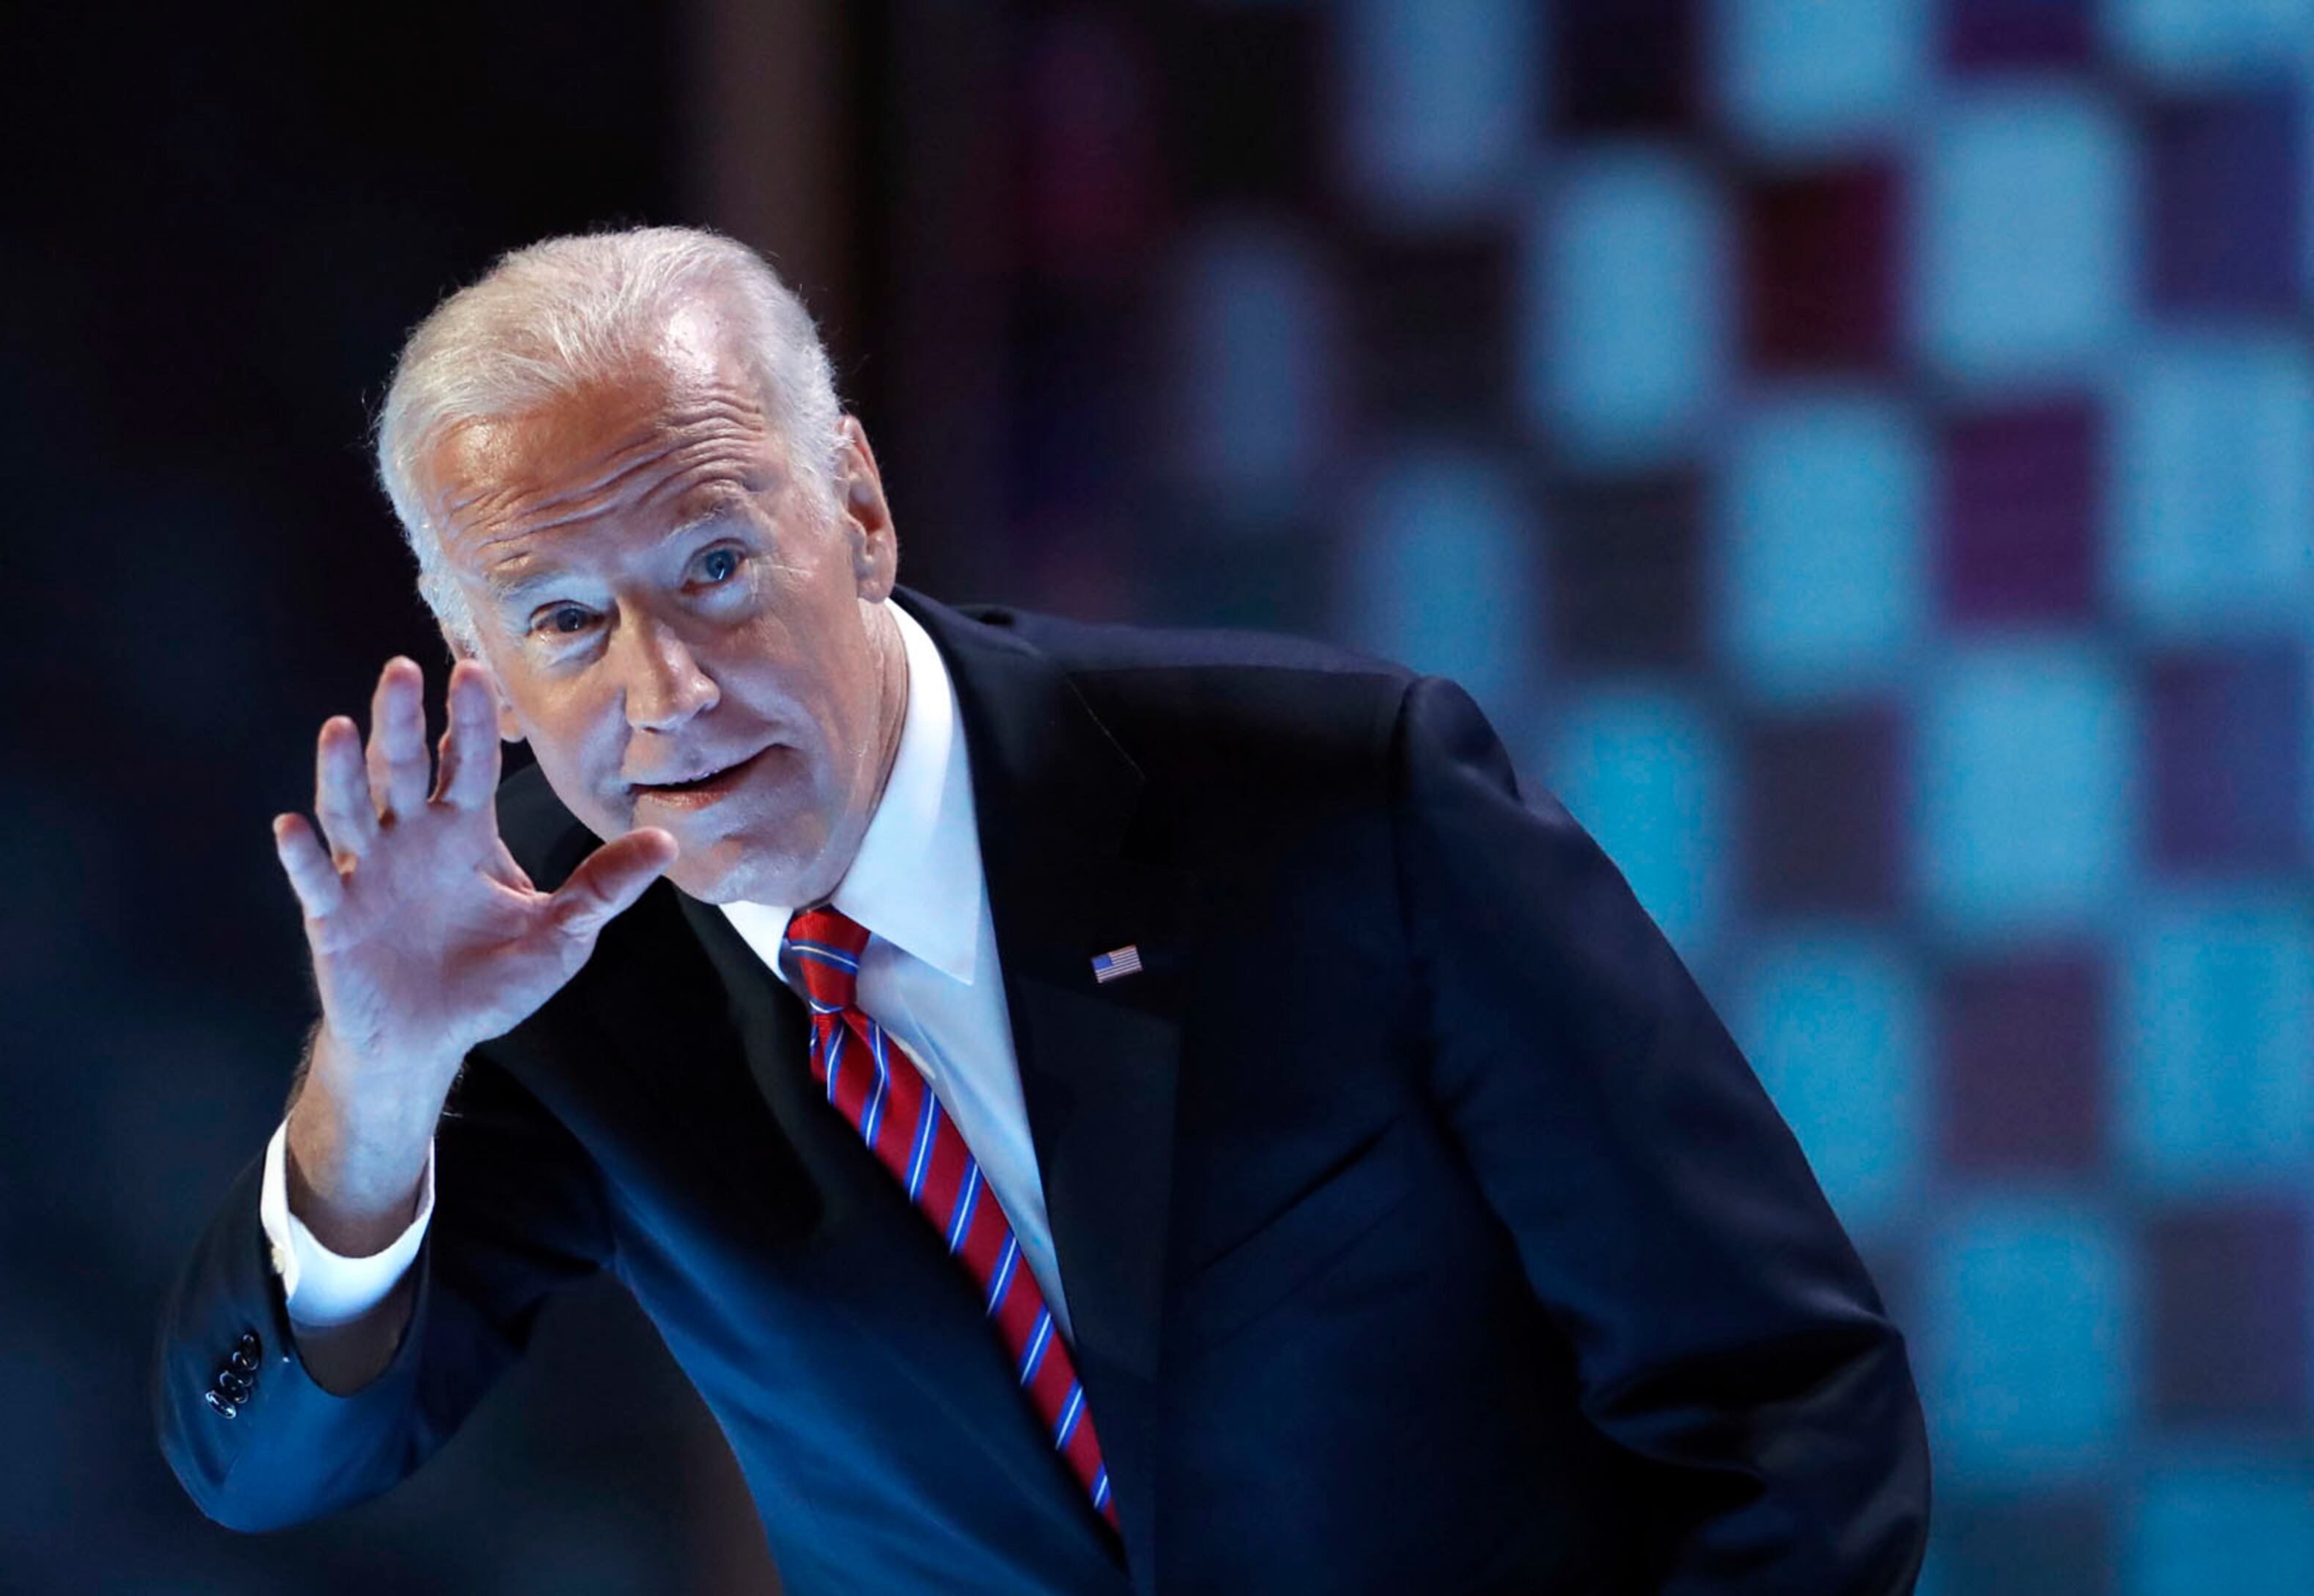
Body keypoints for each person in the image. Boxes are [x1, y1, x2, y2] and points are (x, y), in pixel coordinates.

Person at [151, 226, 1931, 1593]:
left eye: (714, 565)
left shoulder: (1338, 798)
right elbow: (266, 1466)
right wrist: (375, 1076)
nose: (669, 689)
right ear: (479, 662)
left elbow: (1785, 1408)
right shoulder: (551, 967)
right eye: (562, 623)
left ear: (854, 505)